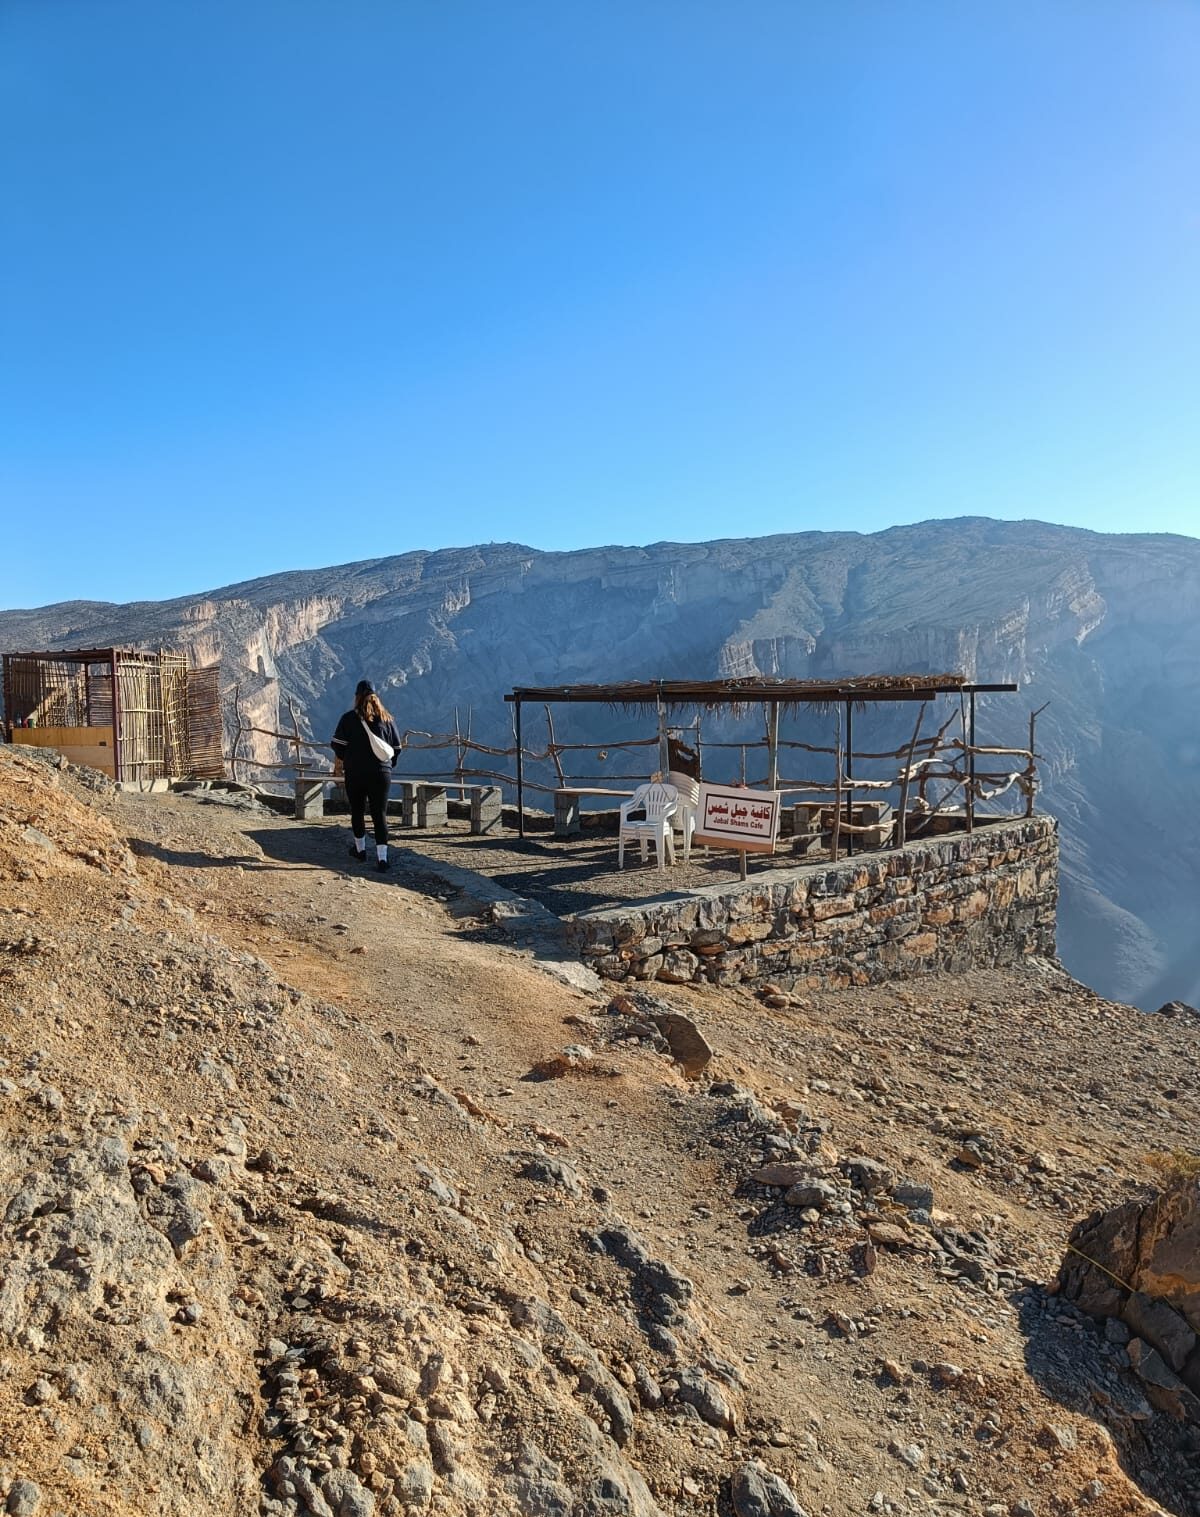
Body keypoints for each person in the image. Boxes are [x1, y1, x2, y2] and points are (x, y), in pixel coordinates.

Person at [330, 680, 402, 871]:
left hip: (355, 773)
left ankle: (360, 851)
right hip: (381, 773)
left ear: (357, 697)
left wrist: (350, 759)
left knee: (358, 811)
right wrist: (387, 765)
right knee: (380, 814)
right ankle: (382, 859)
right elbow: (396, 748)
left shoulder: (348, 719)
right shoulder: (388, 720)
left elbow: (337, 745)